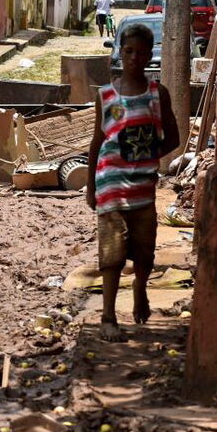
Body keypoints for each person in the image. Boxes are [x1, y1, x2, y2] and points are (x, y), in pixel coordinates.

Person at [86, 23, 180, 342]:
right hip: (109, 185)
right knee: (111, 252)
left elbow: (173, 138)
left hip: (143, 189)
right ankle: (108, 316)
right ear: (120, 52)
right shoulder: (107, 95)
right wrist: (90, 185)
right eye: (128, 51)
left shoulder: (157, 94)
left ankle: (140, 288)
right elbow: (97, 142)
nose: (134, 58)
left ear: (149, 55)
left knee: (144, 251)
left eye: (141, 52)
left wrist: (147, 152)